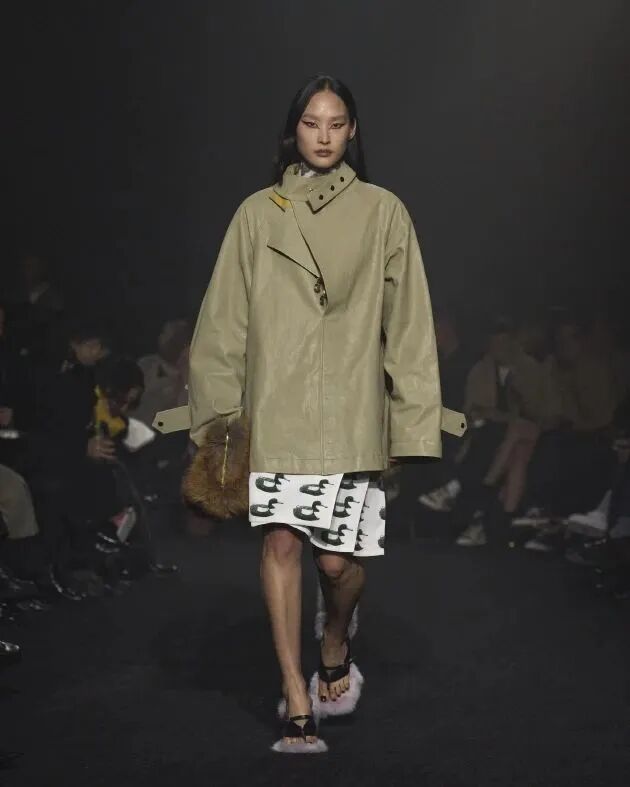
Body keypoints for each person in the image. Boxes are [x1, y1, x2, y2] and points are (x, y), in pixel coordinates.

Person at [188, 75, 445, 752]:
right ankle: (296, 698)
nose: (324, 136)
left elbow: (409, 323)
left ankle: (334, 639)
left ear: (353, 130)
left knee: (335, 564)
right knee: (280, 543)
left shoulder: (384, 211)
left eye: (336, 123)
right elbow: (223, 321)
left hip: (349, 408)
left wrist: (411, 419)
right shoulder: (258, 213)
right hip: (276, 406)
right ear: (293, 130)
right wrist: (218, 421)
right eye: (311, 122)